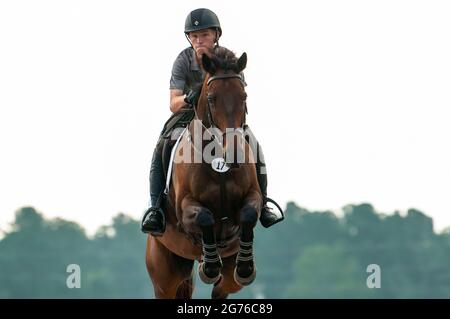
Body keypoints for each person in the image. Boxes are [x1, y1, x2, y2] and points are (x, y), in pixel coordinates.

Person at [141, 8, 283, 236]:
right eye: (194, 36)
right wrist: (190, 97)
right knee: (163, 144)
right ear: (189, 38)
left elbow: (235, 96)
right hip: (188, 115)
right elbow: (173, 102)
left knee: (253, 143)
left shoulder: (228, 59)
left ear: (216, 35)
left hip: (225, 118)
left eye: (204, 35)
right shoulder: (183, 60)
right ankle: (155, 208)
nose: (199, 41)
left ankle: (264, 204)